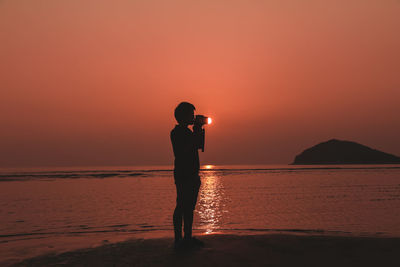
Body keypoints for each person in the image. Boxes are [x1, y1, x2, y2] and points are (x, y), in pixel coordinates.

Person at [170, 102, 205, 249]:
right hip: (184, 174)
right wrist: (196, 131)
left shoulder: (189, 132)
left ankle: (187, 238)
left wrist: (199, 129)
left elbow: (199, 146)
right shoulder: (177, 132)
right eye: (191, 114)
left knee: (189, 207)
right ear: (183, 116)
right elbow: (184, 150)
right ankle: (179, 239)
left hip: (191, 173)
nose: (193, 117)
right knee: (182, 206)